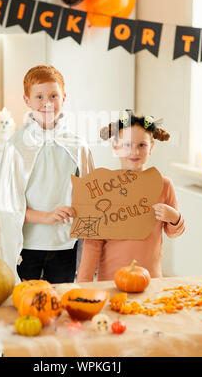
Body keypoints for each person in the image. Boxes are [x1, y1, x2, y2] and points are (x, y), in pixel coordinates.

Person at [0, 64, 94, 284]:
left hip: (65, 244)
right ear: (27, 100)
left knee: (59, 305)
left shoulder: (78, 145)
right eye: (39, 96)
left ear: (64, 97)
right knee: (26, 304)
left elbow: (91, 197)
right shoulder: (16, 146)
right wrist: (46, 217)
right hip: (27, 246)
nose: (47, 103)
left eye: (53, 95)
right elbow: (8, 206)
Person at [77, 109, 185, 282]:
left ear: (151, 147)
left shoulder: (164, 185)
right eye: (127, 145)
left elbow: (174, 232)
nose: (134, 152)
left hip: (151, 280)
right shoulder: (103, 188)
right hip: (111, 281)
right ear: (116, 147)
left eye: (141, 145)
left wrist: (174, 217)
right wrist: (84, 283)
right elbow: (92, 243)